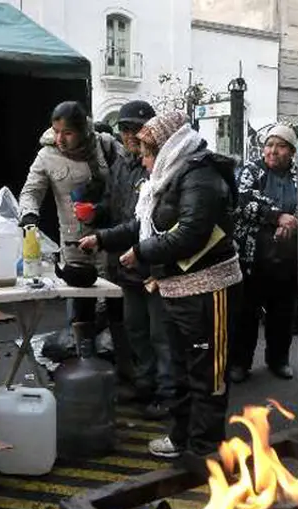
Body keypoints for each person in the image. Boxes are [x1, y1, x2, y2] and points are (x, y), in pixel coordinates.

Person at [80, 110, 244, 459]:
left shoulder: (200, 175)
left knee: (207, 375)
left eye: (146, 154)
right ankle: (181, 438)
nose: (143, 161)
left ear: (168, 147)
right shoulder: (167, 176)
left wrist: (141, 252)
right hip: (175, 288)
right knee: (180, 370)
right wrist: (102, 238)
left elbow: (191, 233)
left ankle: (204, 450)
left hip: (209, 291)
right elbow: (142, 224)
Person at [18, 102, 127, 367]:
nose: (60, 139)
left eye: (67, 133)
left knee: (116, 307)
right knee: (81, 308)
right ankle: (80, 367)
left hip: (111, 240)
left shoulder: (106, 146)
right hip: (76, 246)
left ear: (82, 130)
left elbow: (128, 181)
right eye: (56, 131)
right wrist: (29, 217)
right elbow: (31, 192)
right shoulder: (47, 155)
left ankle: (119, 368)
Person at [93, 100, 176, 420]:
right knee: (135, 330)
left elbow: (157, 221)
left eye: (135, 129)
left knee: (161, 335)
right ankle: (145, 385)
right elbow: (111, 204)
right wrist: (94, 213)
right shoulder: (121, 164)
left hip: (155, 265)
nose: (129, 135)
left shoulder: (161, 165)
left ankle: (167, 396)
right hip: (126, 264)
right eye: (124, 129)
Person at [231, 124, 298, 382]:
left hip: (286, 258)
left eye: (280, 146)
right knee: (246, 313)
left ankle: (278, 360)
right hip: (253, 257)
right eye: (269, 145)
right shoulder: (252, 170)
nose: (273, 151)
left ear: (291, 151)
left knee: (282, 313)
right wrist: (276, 216)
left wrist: (293, 222)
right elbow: (242, 200)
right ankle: (240, 363)